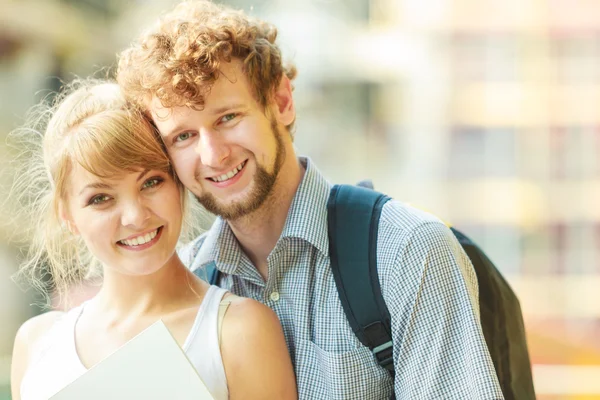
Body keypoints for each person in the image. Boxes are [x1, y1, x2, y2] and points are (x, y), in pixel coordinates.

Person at [117, 1, 505, 398]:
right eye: (184, 136)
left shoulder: (406, 250)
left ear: (282, 102)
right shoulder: (187, 284)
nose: (213, 156)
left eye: (228, 118)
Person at [9, 80, 297, 400]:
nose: (134, 216)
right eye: (101, 198)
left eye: (151, 182)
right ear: (67, 216)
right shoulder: (37, 344)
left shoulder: (239, 330)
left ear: (178, 183)